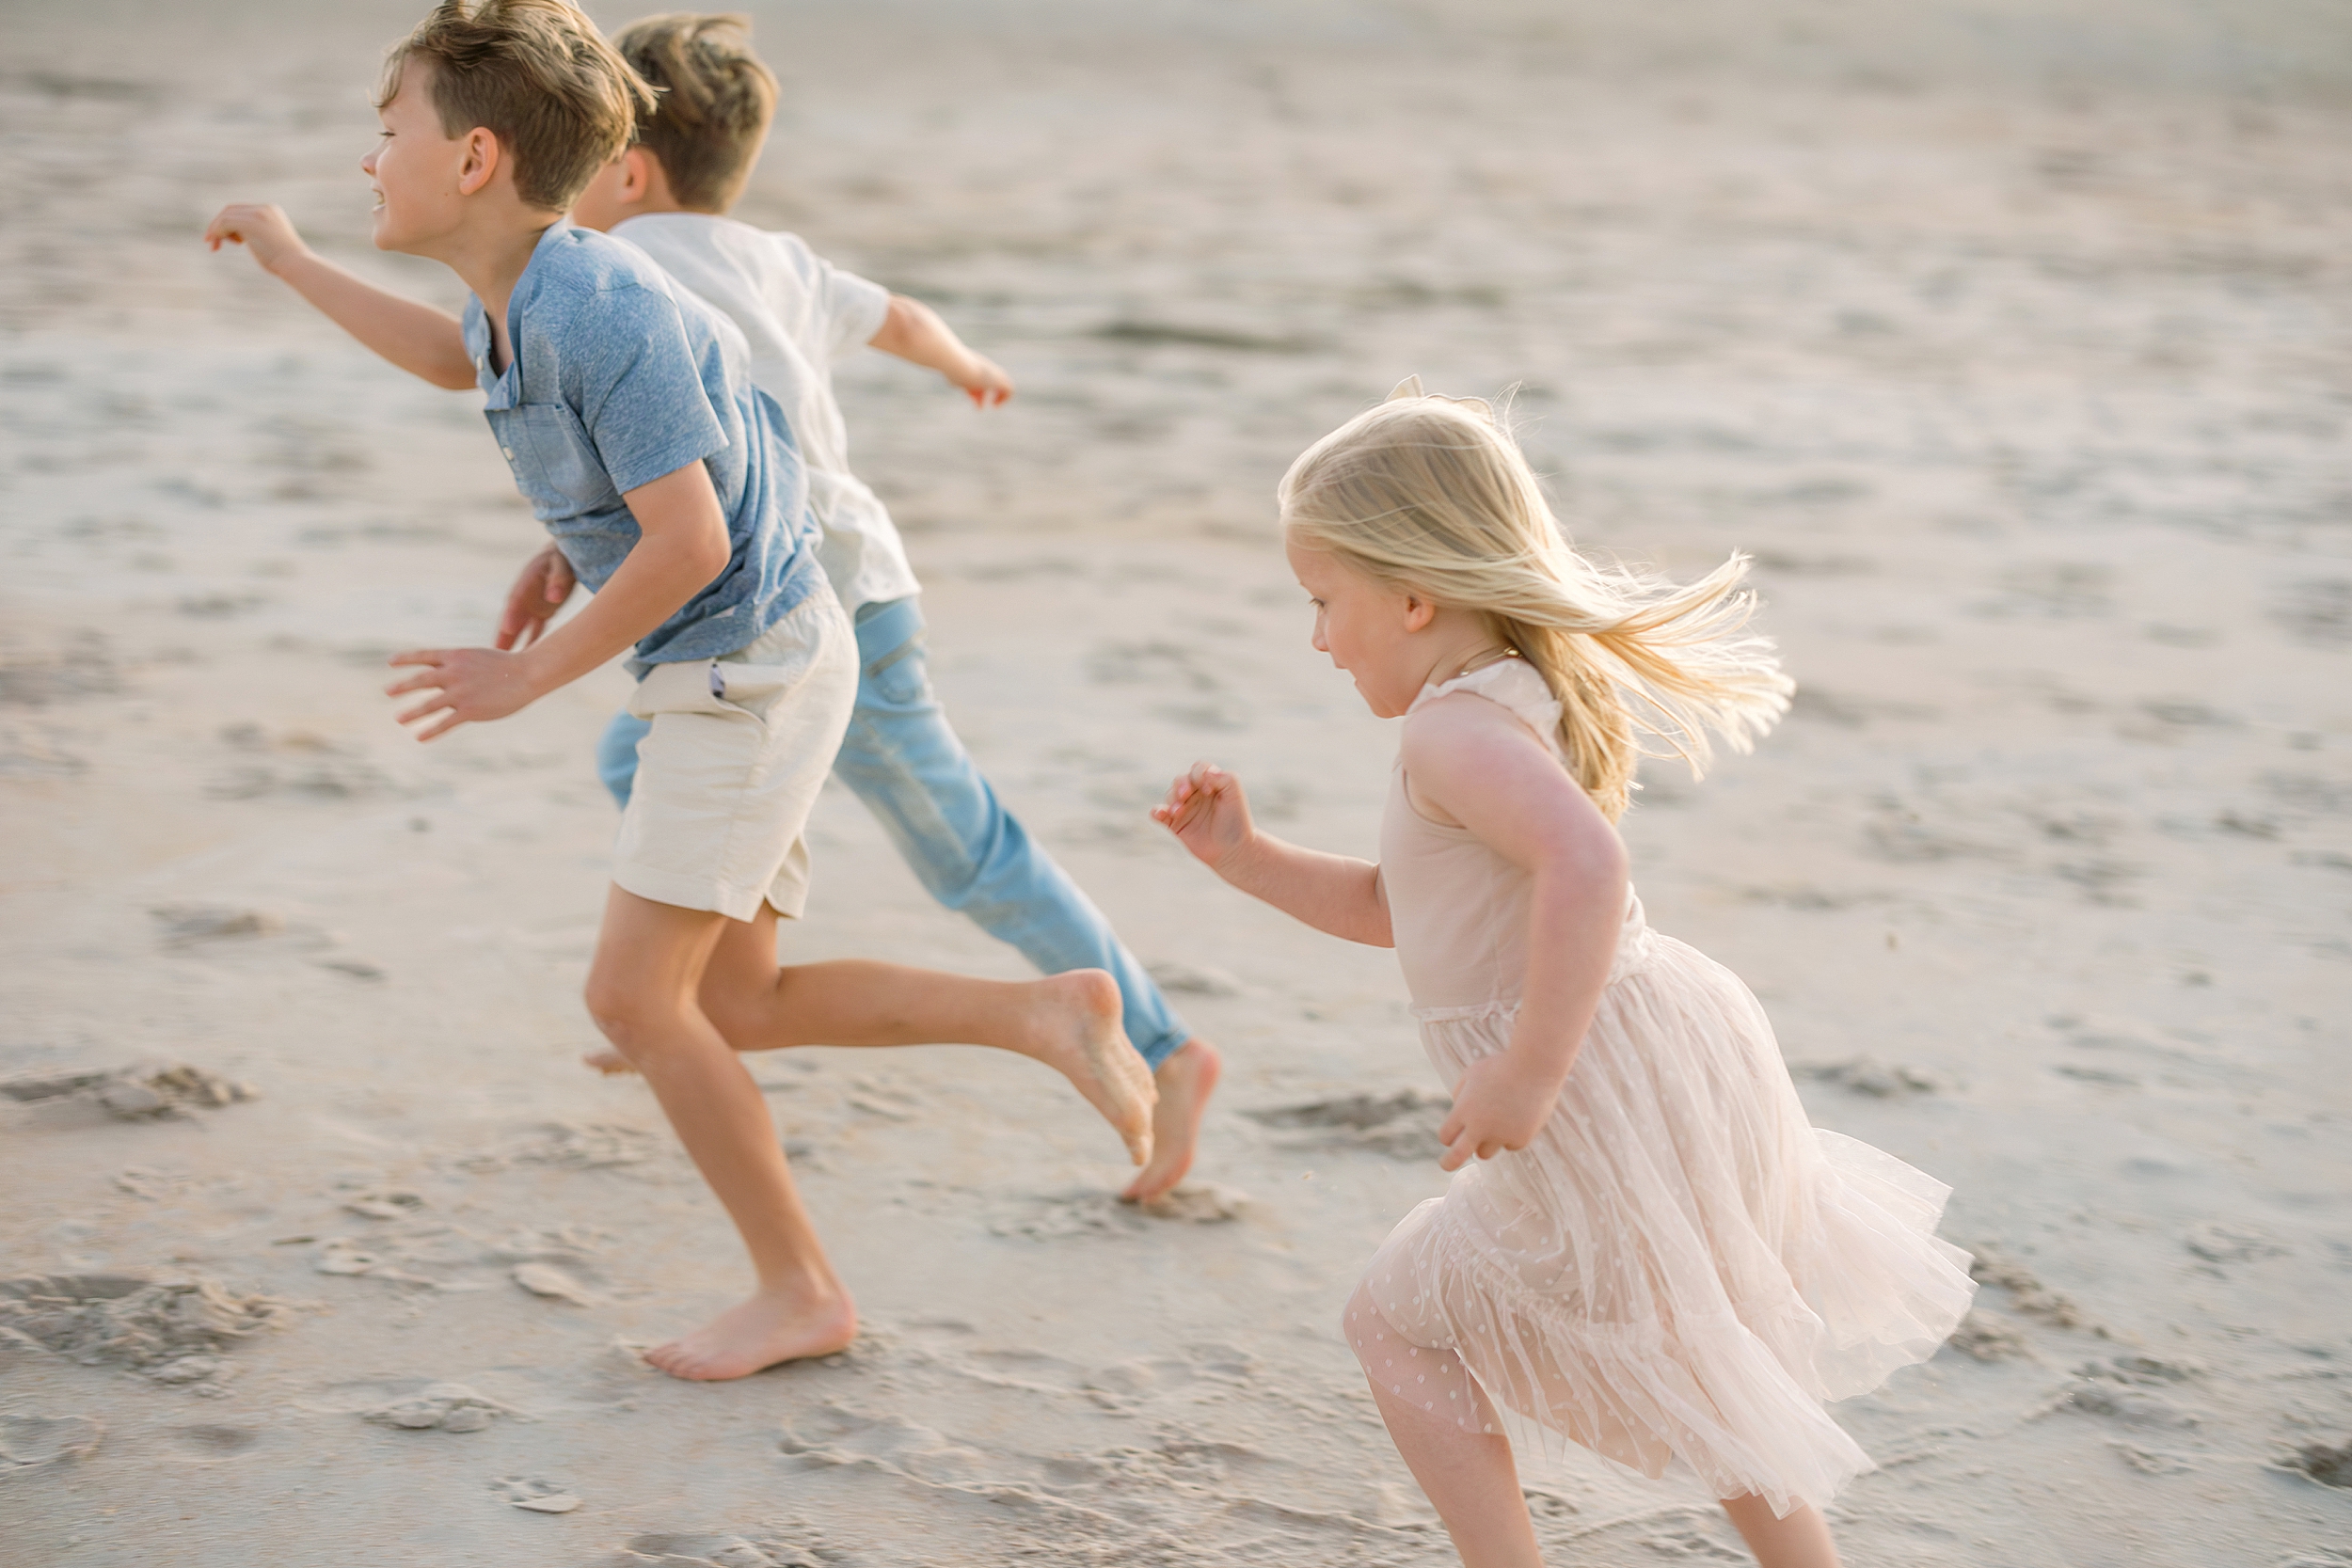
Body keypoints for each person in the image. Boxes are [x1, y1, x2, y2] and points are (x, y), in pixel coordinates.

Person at [202, 0, 1154, 1383]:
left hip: (745, 668)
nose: (369, 159)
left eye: (387, 129)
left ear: (474, 160)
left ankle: (801, 1288)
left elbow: (693, 538)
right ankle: (1045, 1013)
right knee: (736, 1002)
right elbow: (453, 362)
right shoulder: (528, 294)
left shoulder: (598, 302)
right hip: (753, 657)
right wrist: (291, 261)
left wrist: (528, 673)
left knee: (637, 1001)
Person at [1152, 382, 1976, 1568]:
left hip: (1591, 1071)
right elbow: (1405, 909)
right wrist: (1248, 859)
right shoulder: (1490, 705)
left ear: (1414, 595)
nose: (1318, 637)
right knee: (1695, 1353)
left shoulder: (1449, 734)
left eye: (1323, 601)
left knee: (1398, 1321)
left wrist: (1529, 1068)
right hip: (1651, 1046)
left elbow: (1585, 860)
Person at [545, 12, 1220, 1205]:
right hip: (837, 593)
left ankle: (1163, 1049)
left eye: (585, 153)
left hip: (806, 611)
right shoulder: (780, 261)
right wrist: (968, 366)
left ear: (631, 170)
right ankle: (674, 989)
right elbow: (898, 318)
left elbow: (649, 440)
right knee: (642, 759)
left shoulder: (626, 273)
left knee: (965, 850)